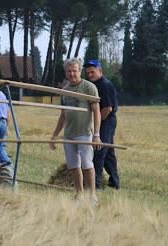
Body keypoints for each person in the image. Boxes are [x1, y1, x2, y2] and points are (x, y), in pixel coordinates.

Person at [49, 58, 102, 204]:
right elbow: (63, 115)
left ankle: (92, 195)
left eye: (74, 70)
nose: (72, 73)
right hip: (69, 134)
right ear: (65, 72)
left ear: (80, 71)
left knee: (87, 164)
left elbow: (96, 111)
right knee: (73, 165)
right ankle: (79, 194)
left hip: (84, 133)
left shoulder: (89, 87)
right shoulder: (65, 91)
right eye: (69, 71)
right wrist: (54, 136)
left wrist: (96, 135)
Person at [84, 59, 120, 189]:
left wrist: (96, 125)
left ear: (100, 71)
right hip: (103, 120)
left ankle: (96, 185)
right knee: (108, 153)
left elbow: (107, 108)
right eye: (88, 73)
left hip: (107, 120)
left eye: (93, 72)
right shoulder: (93, 85)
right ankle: (114, 183)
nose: (90, 75)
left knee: (99, 151)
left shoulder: (105, 85)